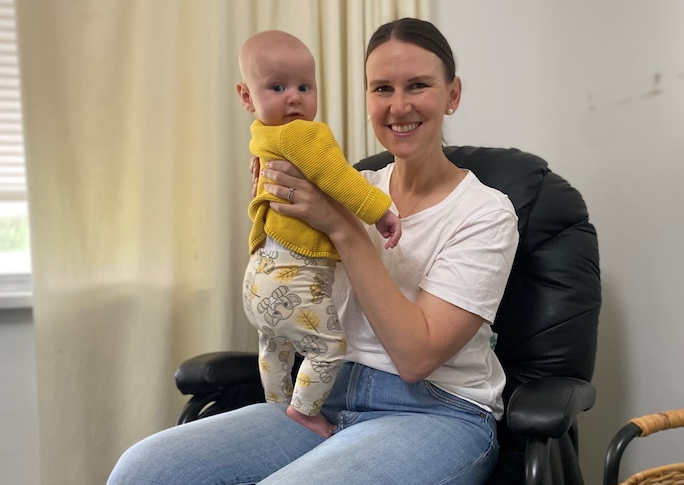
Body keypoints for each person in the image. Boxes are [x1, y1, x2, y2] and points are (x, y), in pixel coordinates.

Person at [108, 17, 519, 484]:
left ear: (453, 94)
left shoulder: (485, 214)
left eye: (418, 85)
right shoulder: (350, 185)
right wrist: (274, 205)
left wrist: (341, 229)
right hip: (325, 396)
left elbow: (415, 358)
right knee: (145, 470)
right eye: (381, 88)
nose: (398, 105)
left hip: (436, 412)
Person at [238, 30, 401, 439]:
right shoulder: (305, 134)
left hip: (258, 276)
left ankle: (278, 404)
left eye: (304, 87)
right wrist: (380, 211)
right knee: (326, 349)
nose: (294, 97)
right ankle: (306, 413)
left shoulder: (261, 135)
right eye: (278, 87)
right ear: (246, 95)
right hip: (296, 277)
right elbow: (339, 177)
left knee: (273, 344)